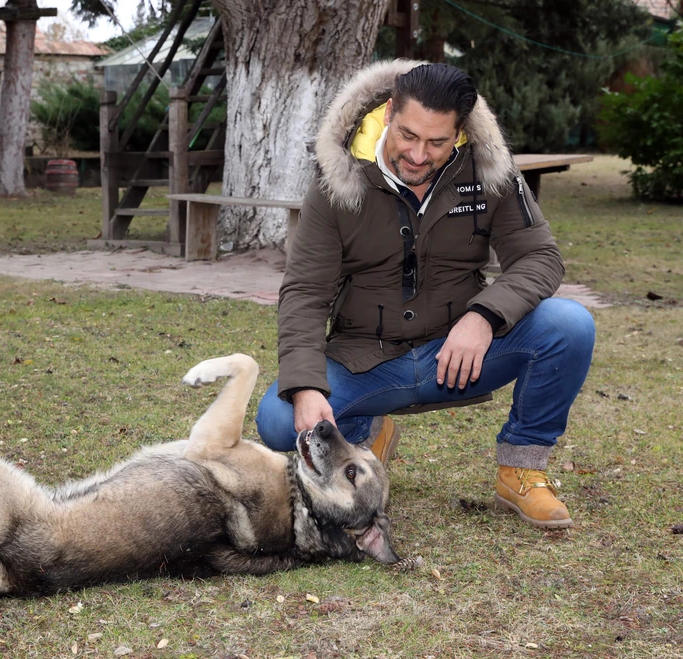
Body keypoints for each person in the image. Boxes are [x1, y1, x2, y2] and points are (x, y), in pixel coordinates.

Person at [255, 60, 595, 529]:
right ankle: (364, 433)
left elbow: (541, 258)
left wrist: (484, 318)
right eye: (408, 135)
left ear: (460, 132)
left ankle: (522, 469)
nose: (418, 155)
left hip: (457, 355)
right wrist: (307, 385)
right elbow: (305, 292)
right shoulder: (339, 179)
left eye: (437, 142)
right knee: (277, 419)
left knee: (570, 325)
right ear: (390, 112)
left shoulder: (488, 169)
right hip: (365, 361)